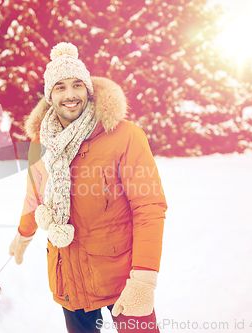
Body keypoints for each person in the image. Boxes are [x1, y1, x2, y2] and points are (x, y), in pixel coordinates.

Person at [9, 42, 167, 332]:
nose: (70, 95)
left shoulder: (125, 136)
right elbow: (34, 196)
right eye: (60, 87)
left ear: (88, 89)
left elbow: (149, 208)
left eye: (77, 85)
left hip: (121, 277)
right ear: (50, 95)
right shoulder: (40, 142)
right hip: (68, 273)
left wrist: (144, 279)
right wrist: (23, 234)